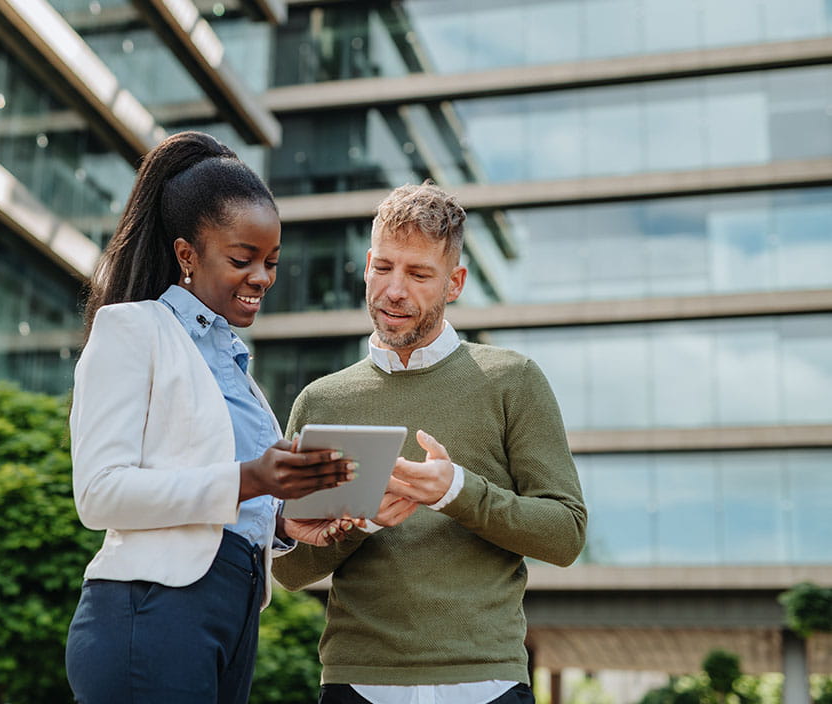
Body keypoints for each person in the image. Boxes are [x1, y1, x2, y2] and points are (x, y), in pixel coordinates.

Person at [66, 131, 359, 704]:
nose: (262, 278)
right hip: (152, 614)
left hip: (233, 615)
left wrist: (282, 523)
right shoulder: (134, 329)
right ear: (186, 255)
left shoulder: (237, 372)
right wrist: (253, 477)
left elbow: (226, 499)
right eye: (242, 259)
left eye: (271, 262)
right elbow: (98, 495)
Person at [272, 182, 588, 704]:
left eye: (419, 274)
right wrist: (361, 521)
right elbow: (287, 568)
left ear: (455, 282)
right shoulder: (320, 402)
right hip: (357, 683)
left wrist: (456, 491)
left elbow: (566, 535)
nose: (395, 290)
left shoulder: (513, 381)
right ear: (368, 264)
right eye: (383, 268)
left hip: (487, 681)